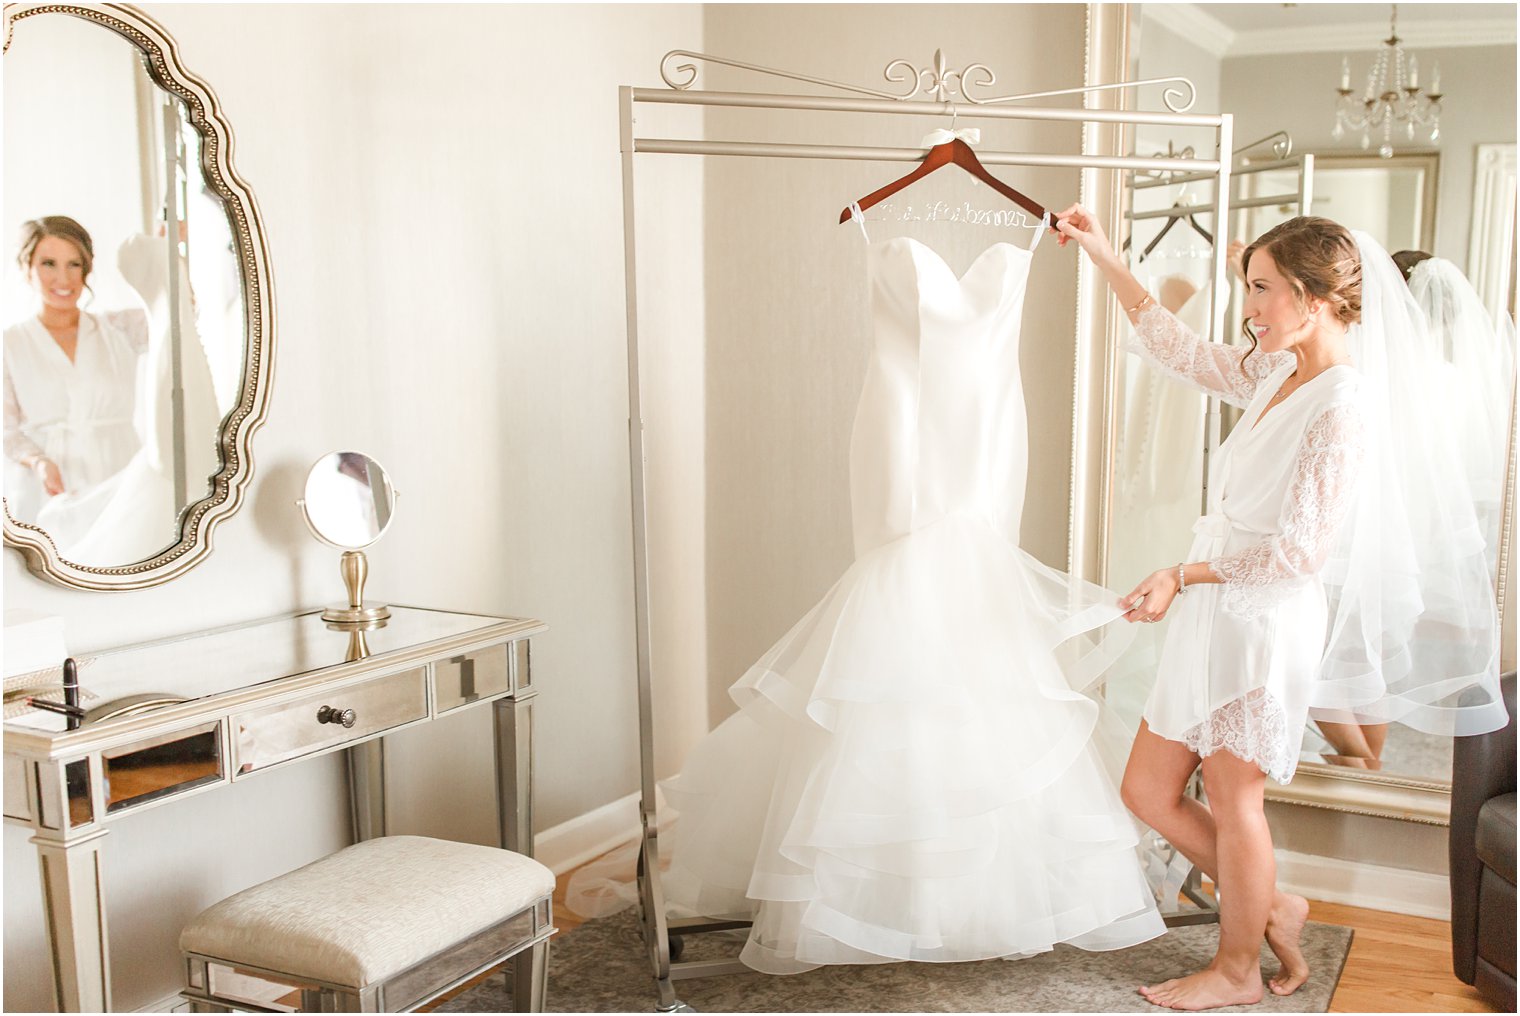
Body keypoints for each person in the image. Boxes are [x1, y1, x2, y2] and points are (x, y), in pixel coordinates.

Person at [1055, 210, 1369, 1009]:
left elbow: (1297, 555)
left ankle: (1237, 972)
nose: (1249, 308)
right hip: (1214, 607)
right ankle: (1273, 909)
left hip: (1261, 622)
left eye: (1262, 290)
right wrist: (1104, 256)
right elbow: (1183, 351)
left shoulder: (1340, 406)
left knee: (1236, 800)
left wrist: (1179, 572)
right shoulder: (1274, 369)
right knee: (1147, 790)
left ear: (1314, 296)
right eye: (1249, 286)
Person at [3, 216, 147, 537]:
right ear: (27, 269)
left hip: (119, 475)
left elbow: (182, 314)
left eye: (74, 264)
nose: (63, 278)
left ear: (87, 269)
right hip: (51, 488)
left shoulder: (121, 329)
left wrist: (168, 251)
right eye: (48, 264)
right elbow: (6, 431)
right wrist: (39, 462)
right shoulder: (9, 344)